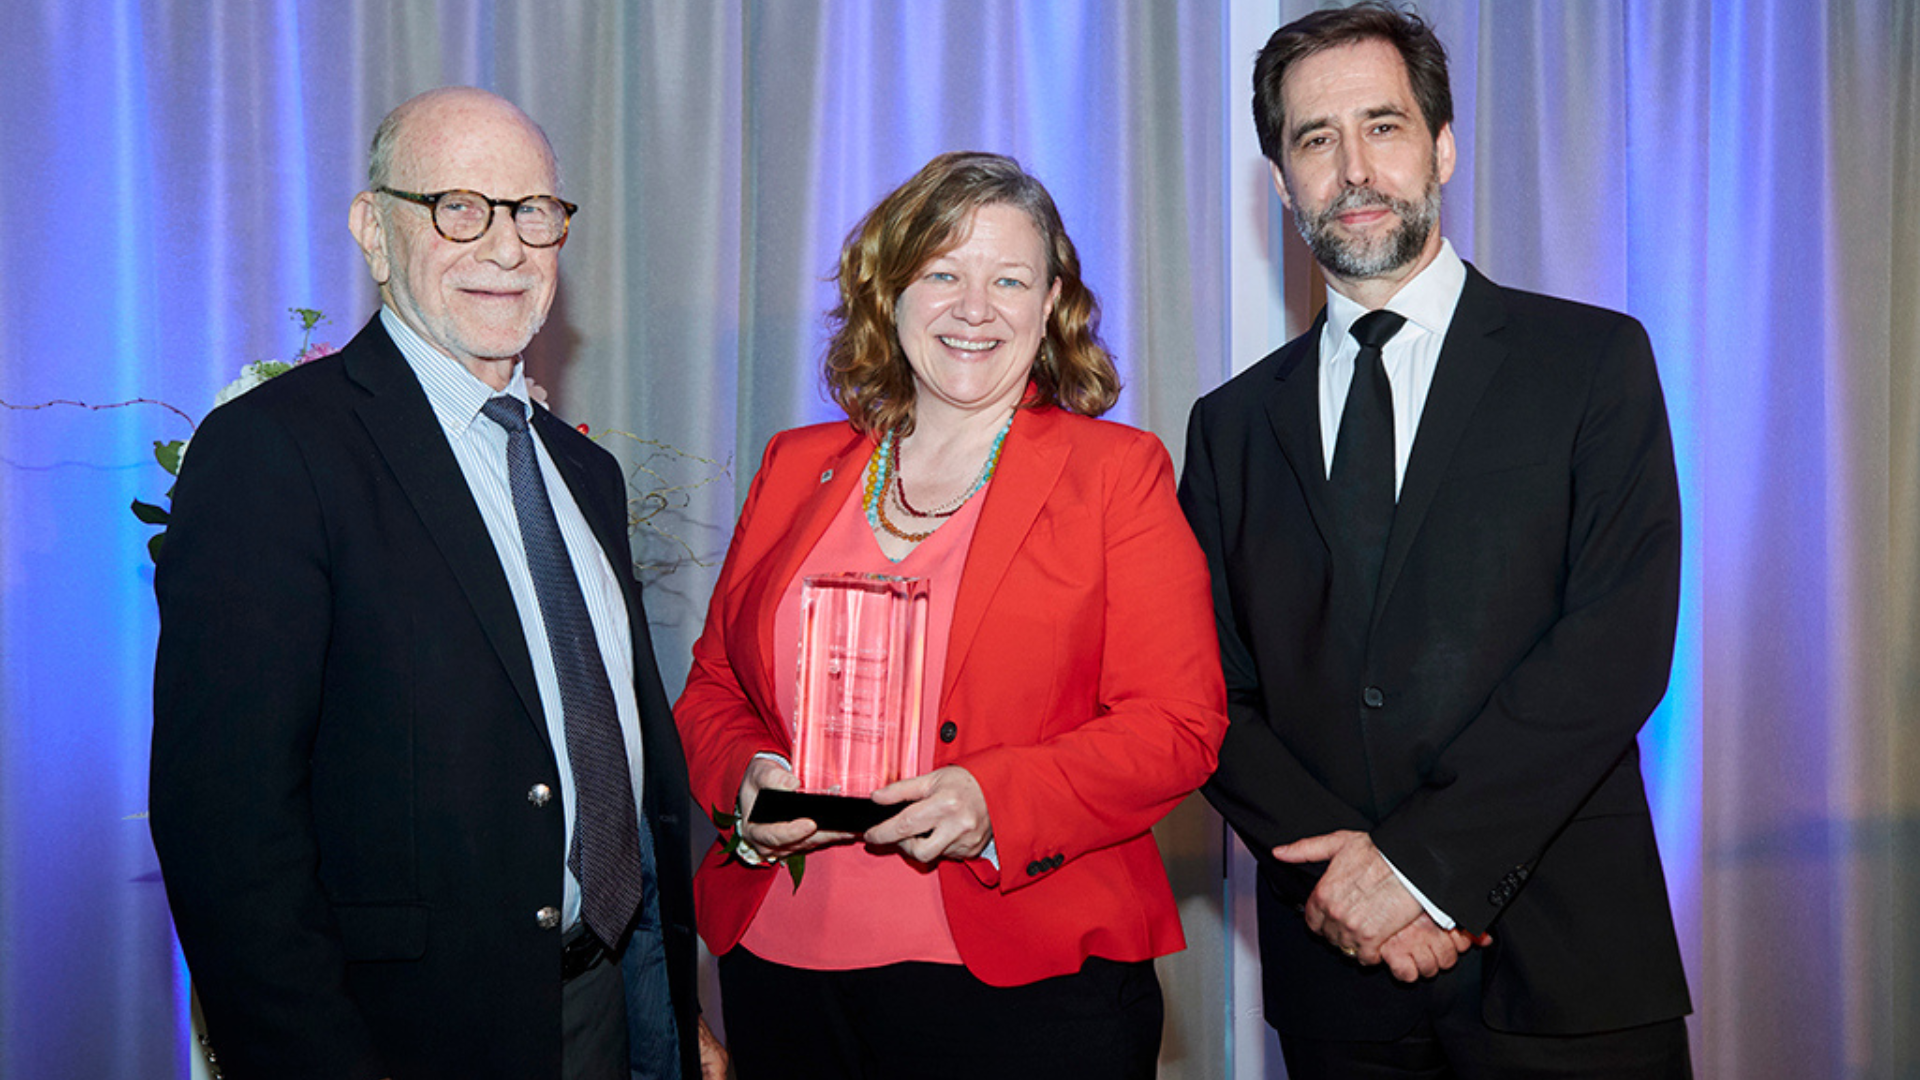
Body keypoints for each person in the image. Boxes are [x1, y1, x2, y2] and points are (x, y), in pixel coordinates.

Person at [150, 86, 723, 1080]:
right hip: (400, 1038)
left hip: (606, 1009)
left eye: (534, 213)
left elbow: (610, 771)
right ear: (375, 230)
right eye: (459, 206)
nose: (505, 247)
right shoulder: (273, 452)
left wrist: (666, 1013)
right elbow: (228, 838)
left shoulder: (585, 475)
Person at [1179, 4, 1693, 1077]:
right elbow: (1201, 692)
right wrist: (1351, 889)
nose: (1354, 167)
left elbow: (1617, 646)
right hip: (1338, 981)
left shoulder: (1591, 361)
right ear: (1281, 178)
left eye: (1385, 124)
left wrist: (1415, 869)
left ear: (1444, 146)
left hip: (1570, 967)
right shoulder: (1229, 426)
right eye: (1316, 139)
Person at [674, 151, 1227, 1079]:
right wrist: (746, 776)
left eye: (1008, 278)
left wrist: (992, 802)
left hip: (1024, 985)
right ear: (889, 292)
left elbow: (1178, 727)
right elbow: (711, 690)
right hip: (782, 964)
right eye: (942, 273)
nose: (975, 308)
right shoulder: (792, 464)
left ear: (1051, 302)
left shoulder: (1115, 475)